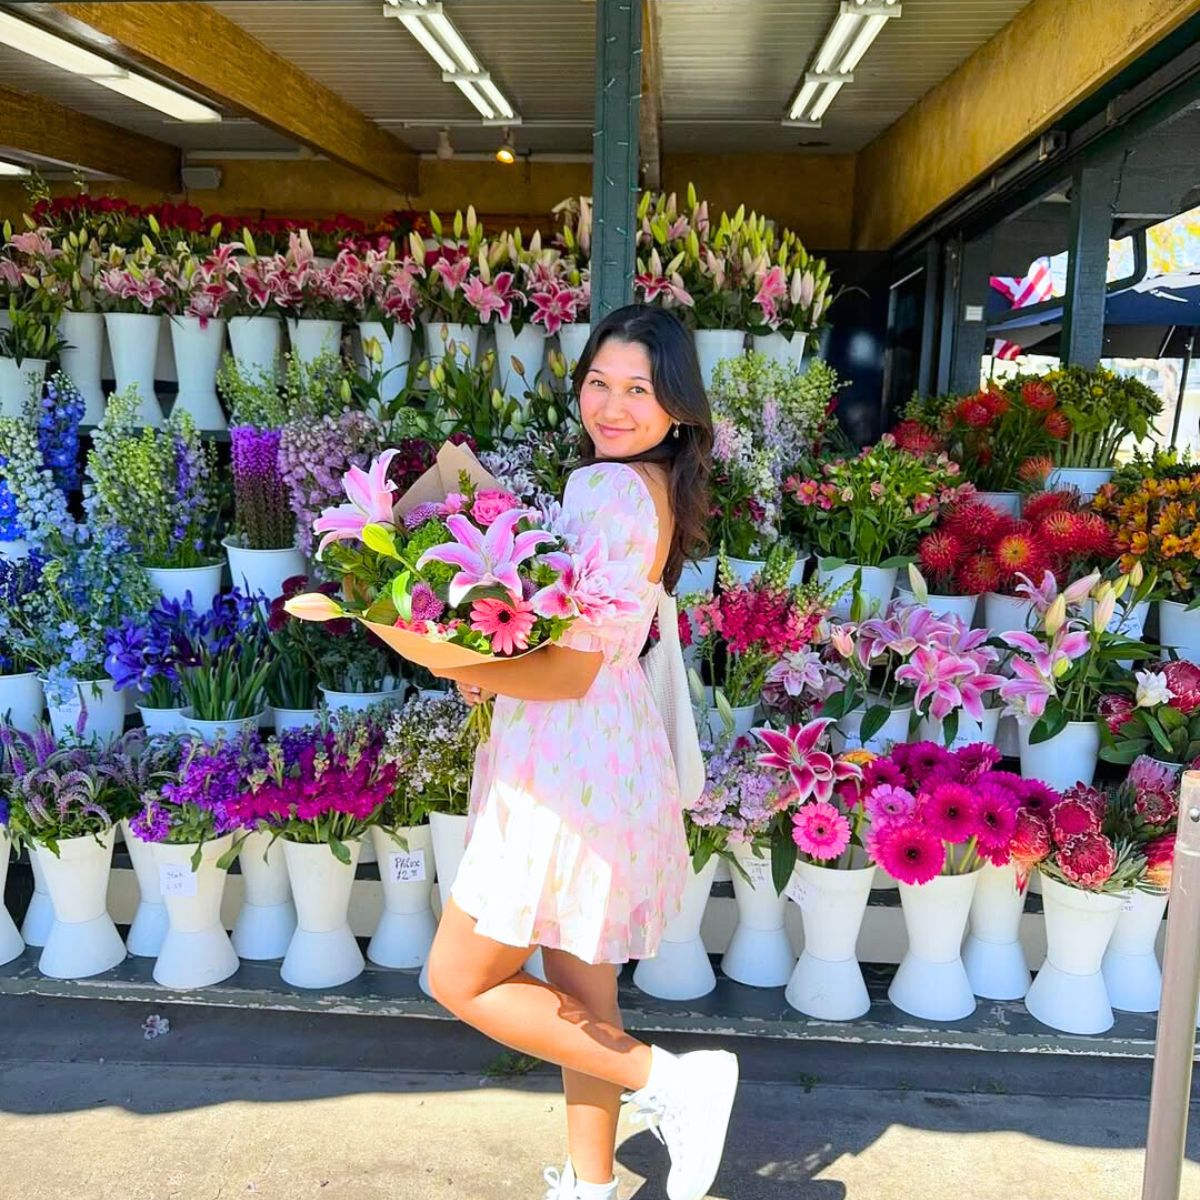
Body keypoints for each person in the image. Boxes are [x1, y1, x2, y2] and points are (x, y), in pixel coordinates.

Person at [426, 304, 739, 1200]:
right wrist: (491, 666)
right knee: (581, 996)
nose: (611, 404)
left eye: (638, 388)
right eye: (599, 382)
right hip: (605, 759)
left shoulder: (604, 489)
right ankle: (594, 1186)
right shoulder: (654, 486)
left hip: (564, 770)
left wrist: (447, 653)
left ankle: (675, 1082)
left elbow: (564, 673)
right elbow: (584, 648)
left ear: (677, 405)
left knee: (459, 977)